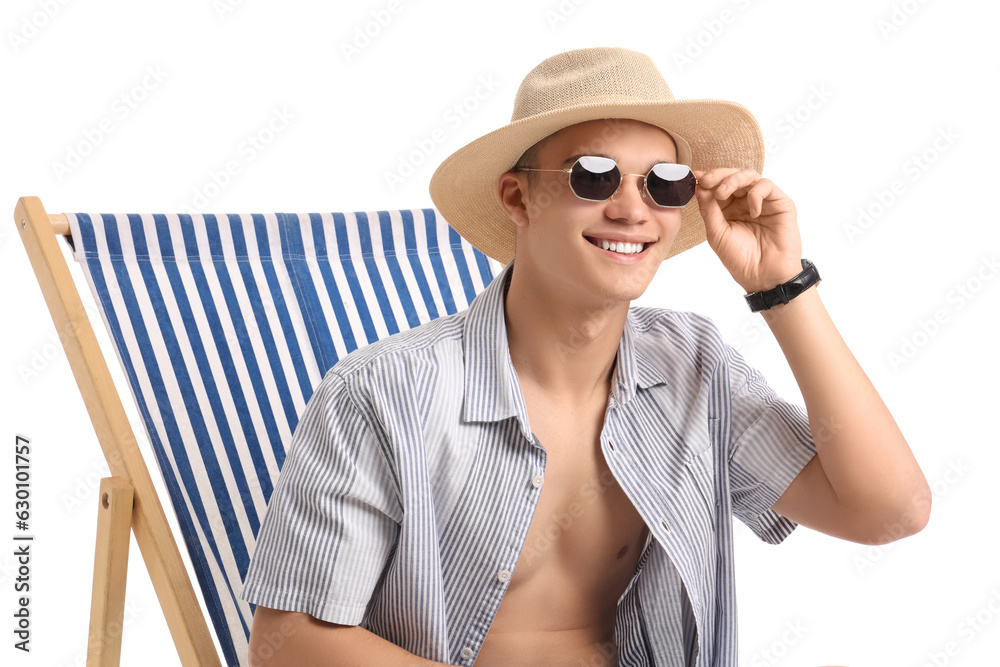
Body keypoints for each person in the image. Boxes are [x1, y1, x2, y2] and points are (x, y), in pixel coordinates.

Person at [241, 47, 931, 667]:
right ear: (519, 195)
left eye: (663, 183)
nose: (634, 210)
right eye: (595, 176)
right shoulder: (384, 392)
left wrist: (782, 288)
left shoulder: (694, 368)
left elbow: (890, 511)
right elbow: (290, 643)